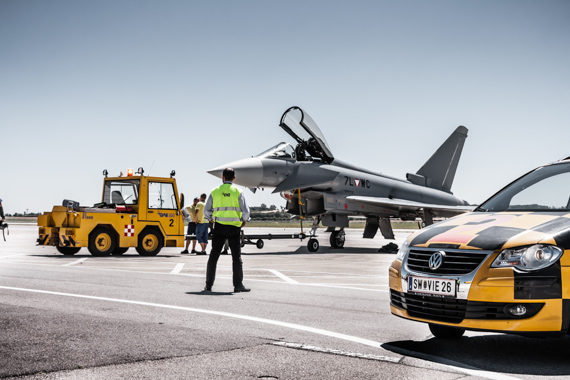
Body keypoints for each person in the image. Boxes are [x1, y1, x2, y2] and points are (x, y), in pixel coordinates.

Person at [203, 168, 251, 293]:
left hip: (219, 226)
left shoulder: (215, 191)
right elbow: (245, 211)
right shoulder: (238, 191)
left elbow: (206, 211)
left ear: (222, 177)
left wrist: (211, 219)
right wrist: (244, 220)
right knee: (236, 257)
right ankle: (238, 285)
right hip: (234, 227)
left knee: (213, 256)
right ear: (234, 178)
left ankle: (208, 285)